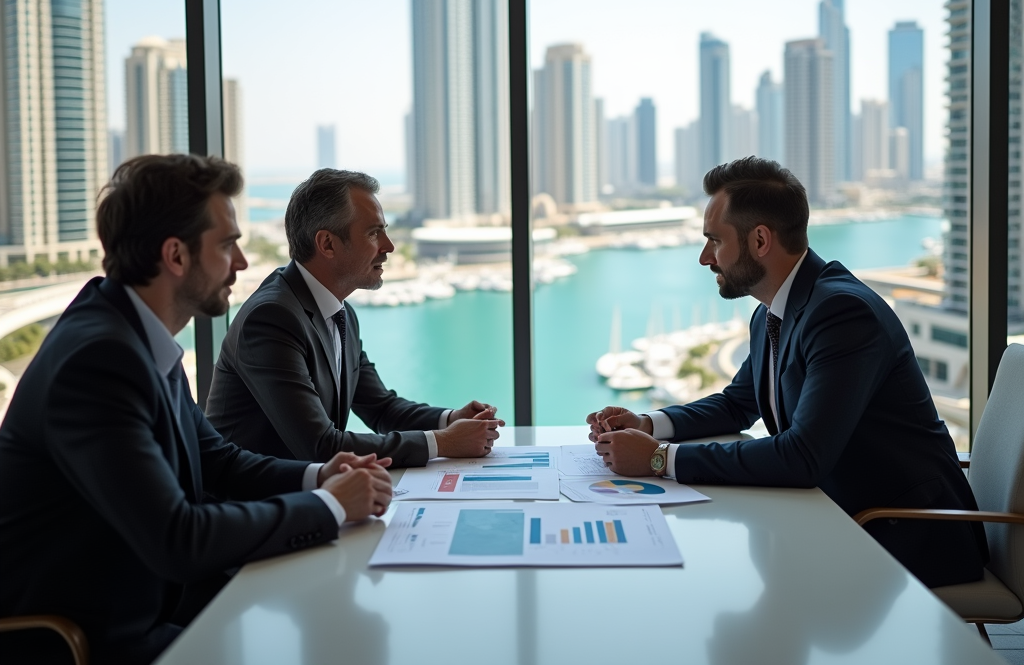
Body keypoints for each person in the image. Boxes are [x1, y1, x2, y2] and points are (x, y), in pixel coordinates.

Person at [0, 155, 393, 665]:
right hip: (86, 637)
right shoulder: (99, 360)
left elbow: (220, 460)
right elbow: (178, 537)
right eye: (227, 244)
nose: (243, 263)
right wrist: (333, 506)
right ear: (176, 256)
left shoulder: (133, 336)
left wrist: (321, 477)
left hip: (152, 604)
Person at [587, 157, 987, 588]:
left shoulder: (841, 313)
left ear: (760, 239)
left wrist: (658, 459)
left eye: (714, 241)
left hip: (905, 535)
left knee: (708, 574)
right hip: (839, 515)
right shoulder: (774, 312)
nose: (705, 258)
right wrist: (649, 424)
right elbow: (738, 403)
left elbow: (803, 457)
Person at [206, 169, 503, 469]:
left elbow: (381, 407)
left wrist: (451, 419)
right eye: (374, 233)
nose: (389, 246)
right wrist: (444, 442)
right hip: (252, 506)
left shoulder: (341, 313)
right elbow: (320, 446)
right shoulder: (271, 318)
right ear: (327, 244)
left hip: (309, 498)